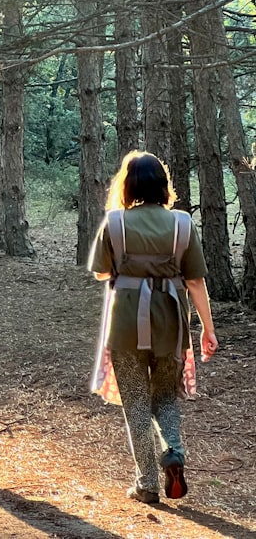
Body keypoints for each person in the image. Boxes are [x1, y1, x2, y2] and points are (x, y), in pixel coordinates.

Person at [88, 150, 219, 505]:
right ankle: (173, 452)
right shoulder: (182, 224)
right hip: (171, 323)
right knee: (164, 397)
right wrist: (208, 329)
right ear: (164, 185)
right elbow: (195, 281)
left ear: (127, 185)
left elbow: (101, 272)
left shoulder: (115, 223)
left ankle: (146, 483)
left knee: (135, 403)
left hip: (126, 324)